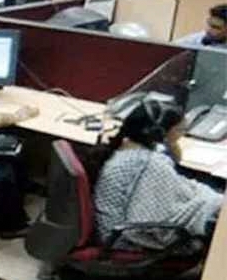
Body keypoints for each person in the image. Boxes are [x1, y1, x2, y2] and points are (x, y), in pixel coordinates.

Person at [92, 98, 222, 251]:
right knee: (214, 218)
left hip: (111, 229)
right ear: (159, 133)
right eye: (180, 130)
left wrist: (170, 141)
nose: (183, 135)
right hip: (123, 240)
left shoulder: (128, 148)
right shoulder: (150, 163)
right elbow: (156, 219)